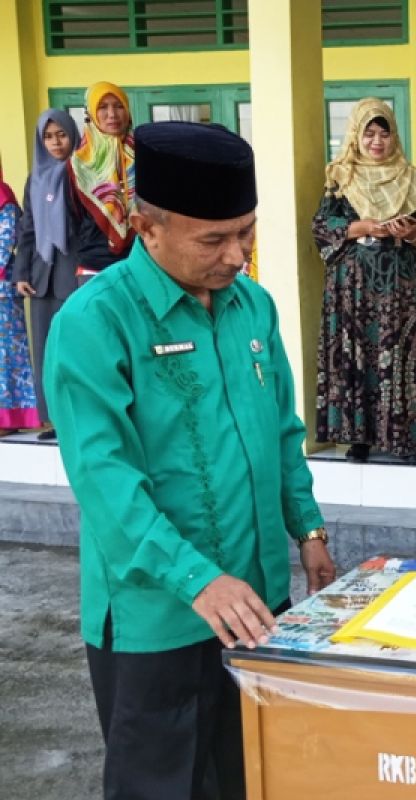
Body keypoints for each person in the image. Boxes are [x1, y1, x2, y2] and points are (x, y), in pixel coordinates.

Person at [44, 121, 336, 799]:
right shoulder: (96, 323)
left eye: (247, 231)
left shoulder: (253, 307)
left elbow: (282, 431)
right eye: (214, 239)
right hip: (159, 621)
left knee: (258, 776)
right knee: (166, 785)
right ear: (148, 228)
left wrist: (310, 530)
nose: (238, 254)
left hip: (261, 603)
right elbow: (106, 483)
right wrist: (198, 580)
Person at [313, 98, 416, 463]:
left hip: (401, 285)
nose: (377, 141)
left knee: (403, 354)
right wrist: (365, 227)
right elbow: (322, 227)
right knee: (357, 356)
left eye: (384, 133)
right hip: (352, 289)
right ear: (356, 134)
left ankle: (406, 437)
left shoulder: (412, 177)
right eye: (369, 133)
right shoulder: (340, 176)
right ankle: (359, 439)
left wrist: (412, 234)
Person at [13, 110, 114, 440]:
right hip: (43, 276)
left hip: (76, 273)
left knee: (78, 348)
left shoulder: (83, 173)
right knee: (46, 350)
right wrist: (21, 272)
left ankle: (82, 418)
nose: (56, 142)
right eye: (49, 136)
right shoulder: (35, 178)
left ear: (74, 136)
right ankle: (54, 420)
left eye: (62, 135)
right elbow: (27, 229)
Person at [69, 81, 136, 283]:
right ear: (91, 114)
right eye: (102, 107)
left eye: (118, 106)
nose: (112, 114)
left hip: (139, 261)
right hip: (94, 265)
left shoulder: (144, 155)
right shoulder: (79, 163)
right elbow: (73, 215)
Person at [0, 163, 38, 435]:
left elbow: (7, 239)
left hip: (2, 288)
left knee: (9, 355)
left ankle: (14, 417)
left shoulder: (3, 198)